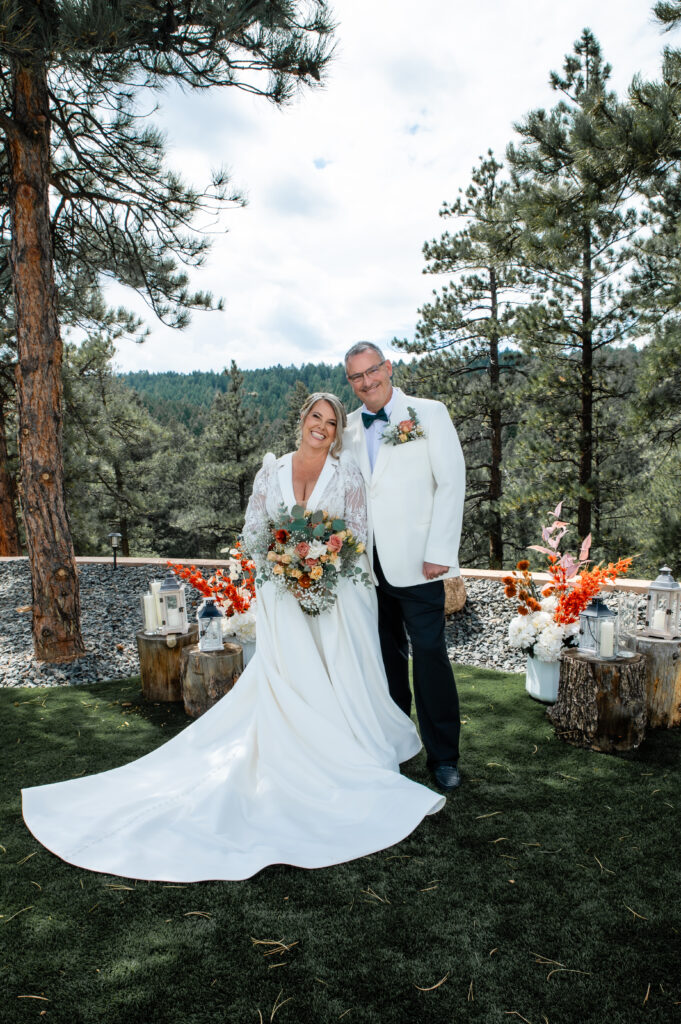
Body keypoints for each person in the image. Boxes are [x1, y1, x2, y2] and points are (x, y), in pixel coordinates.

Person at [21, 393, 444, 883]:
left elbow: (357, 534)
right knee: (292, 672)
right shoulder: (272, 471)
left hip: (336, 596)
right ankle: (297, 743)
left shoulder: (345, 473)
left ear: (336, 432)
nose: (322, 427)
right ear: (302, 419)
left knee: (338, 670)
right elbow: (254, 531)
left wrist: (320, 564)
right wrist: (285, 565)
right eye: (316, 417)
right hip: (282, 595)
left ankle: (344, 743)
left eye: (331, 422)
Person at [343, 343, 466, 792]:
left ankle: (444, 756)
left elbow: (451, 482)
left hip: (419, 563)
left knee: (430, 656)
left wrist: (440, 551)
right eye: (356, 377)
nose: (366, 382)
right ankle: (394, 744)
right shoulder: (348, 427)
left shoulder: (429, 413)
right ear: (350, 383)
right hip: (365, 567)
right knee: (385, 661)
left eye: (372, 371)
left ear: (388, 367)